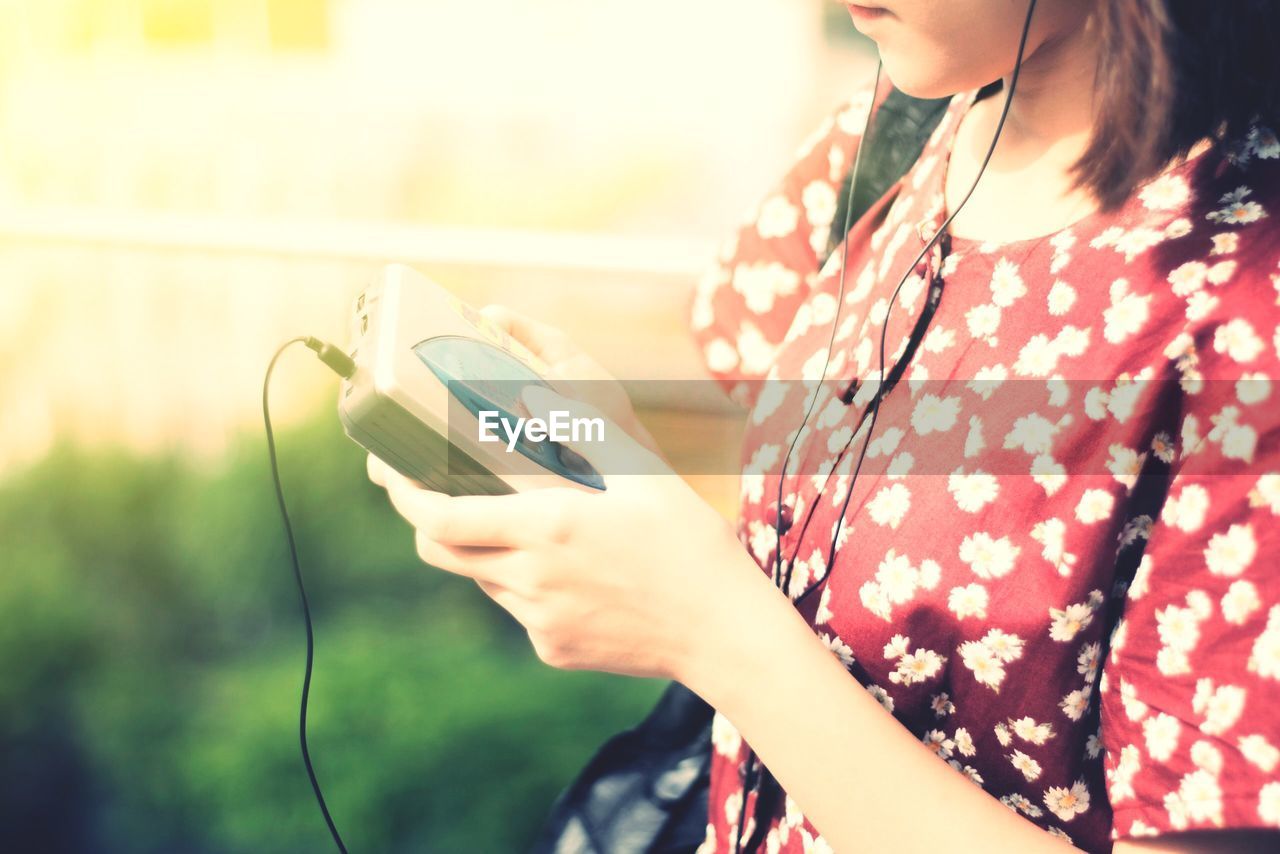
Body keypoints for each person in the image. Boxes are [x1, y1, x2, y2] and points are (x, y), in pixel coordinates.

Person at [367, 1, 1280, 851]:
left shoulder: (1247, 302)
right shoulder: (900, 122)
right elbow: (818, 494)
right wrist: (617, 472)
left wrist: (707, 628)